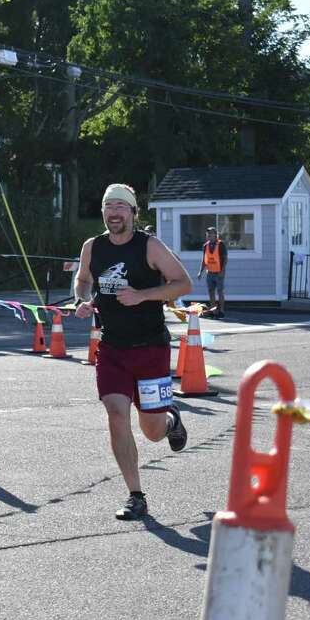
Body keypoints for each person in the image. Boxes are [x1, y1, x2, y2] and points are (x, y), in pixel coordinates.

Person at [74, 184, 191, 521]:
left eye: (121, 207)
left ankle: (170, 421)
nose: (114, 212)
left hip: (151, 348)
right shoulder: (92, 247)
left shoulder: (150, 246)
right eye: (108, 206)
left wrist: (143, 295)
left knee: (152, 431)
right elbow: (83, 281)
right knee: (115, 413)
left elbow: (183, 284)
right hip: (111, 348)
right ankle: (135, 495)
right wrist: (82, 300)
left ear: (133, 213)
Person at [198, 226, 228, 318]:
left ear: (215, 234)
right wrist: (200, 272)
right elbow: (204, 260)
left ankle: (221, 311)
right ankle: (213, 310)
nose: (209, 235)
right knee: (211, 291)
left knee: (220, 291)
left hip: (219, 273)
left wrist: (222, 271)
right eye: (208, 234)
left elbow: (225, 259)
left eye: (211, 233)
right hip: (209, 272)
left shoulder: (221, 244)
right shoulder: (205, 245)